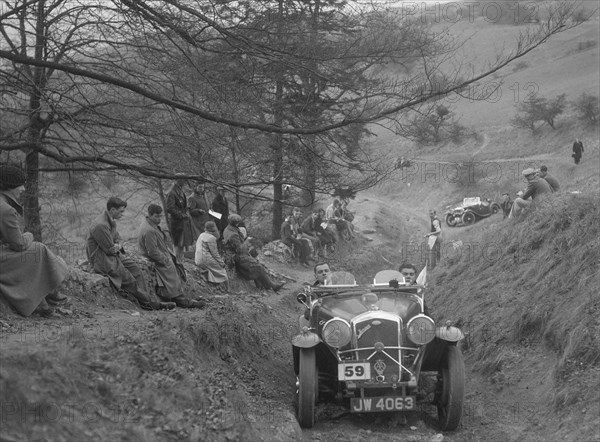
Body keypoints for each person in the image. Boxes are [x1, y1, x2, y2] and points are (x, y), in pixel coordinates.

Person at [0, 164, 69, 317]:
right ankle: (47, 293)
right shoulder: (6, 209)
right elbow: (19, 244)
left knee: (36, 250)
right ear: (11, 186)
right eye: (20, 185)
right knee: (37, 249)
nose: (23, 189)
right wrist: (30, 234)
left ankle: (46, 296)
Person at [87, 197, 175, 311]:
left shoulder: (110, 220)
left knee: (136, 270)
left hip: (112, 255)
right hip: (102, 258)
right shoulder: (101, 225)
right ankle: (149, 303)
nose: (122, 214)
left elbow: (117, 239)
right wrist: (117, 246)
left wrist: (117, 245)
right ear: (112, 210)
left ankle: (147, 300)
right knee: (128, 279)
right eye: (121, 211)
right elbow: (110, 249)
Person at [138, 204, 204, 308]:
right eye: (156, 216)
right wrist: (165, 260)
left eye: (160, 216)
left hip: (161, 253)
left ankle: (181, 295)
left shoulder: (150, 224)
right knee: (170, 269)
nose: (159, 219)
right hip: (155, 258)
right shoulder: (149, 229)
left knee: (177, 267)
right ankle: (179, 299)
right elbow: (152, 252)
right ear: (150, 215)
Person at [223, 214, 284, 293]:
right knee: (258, 267)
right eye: (238, 223)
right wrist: (247, 241)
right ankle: (272, 286)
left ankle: (263, 286)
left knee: (256, 263)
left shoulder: (228, 228)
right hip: (236, 257)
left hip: (234, 255)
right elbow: (240, 250)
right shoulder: (233, 234)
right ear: (236, 223)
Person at [166, 175, 195, 261]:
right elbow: (169, 208)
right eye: (182, 180)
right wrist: (181, 215)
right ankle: (178, 262)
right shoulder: (172, 192)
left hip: (182, 222)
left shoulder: (180, 190)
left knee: (182, 244)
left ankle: (181, 261)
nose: (184, 182)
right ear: (177, 180)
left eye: (184, 180)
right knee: (178, 243)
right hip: (177, 222)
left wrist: (186, 211)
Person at [195, 221, 229, 290]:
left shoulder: (201, 235)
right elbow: (215, 254)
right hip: (205, 259)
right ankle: (228, 289)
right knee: (223, 270)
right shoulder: (211, 238)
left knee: (213, 268)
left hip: (197, 259)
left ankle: (214, 284)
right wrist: (222, 263)